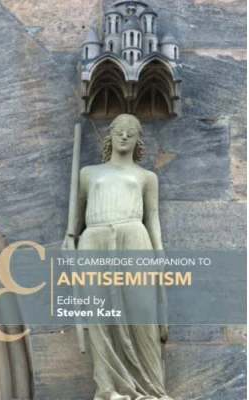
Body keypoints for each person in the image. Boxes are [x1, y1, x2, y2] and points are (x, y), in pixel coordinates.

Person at [67, 114, 172, 400]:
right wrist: (69, 239)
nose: (124, 136)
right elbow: (76, 218)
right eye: (119, 131)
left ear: (138, 140)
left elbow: (152, 219)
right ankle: (108, 389)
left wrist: (159, 254)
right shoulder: (88, 174)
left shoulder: (146, 177)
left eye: (131, 132)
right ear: (109, 136)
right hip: (94, 239)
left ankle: (152, 389)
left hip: (134, 238)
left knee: (143, 313)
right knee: (99, 315)